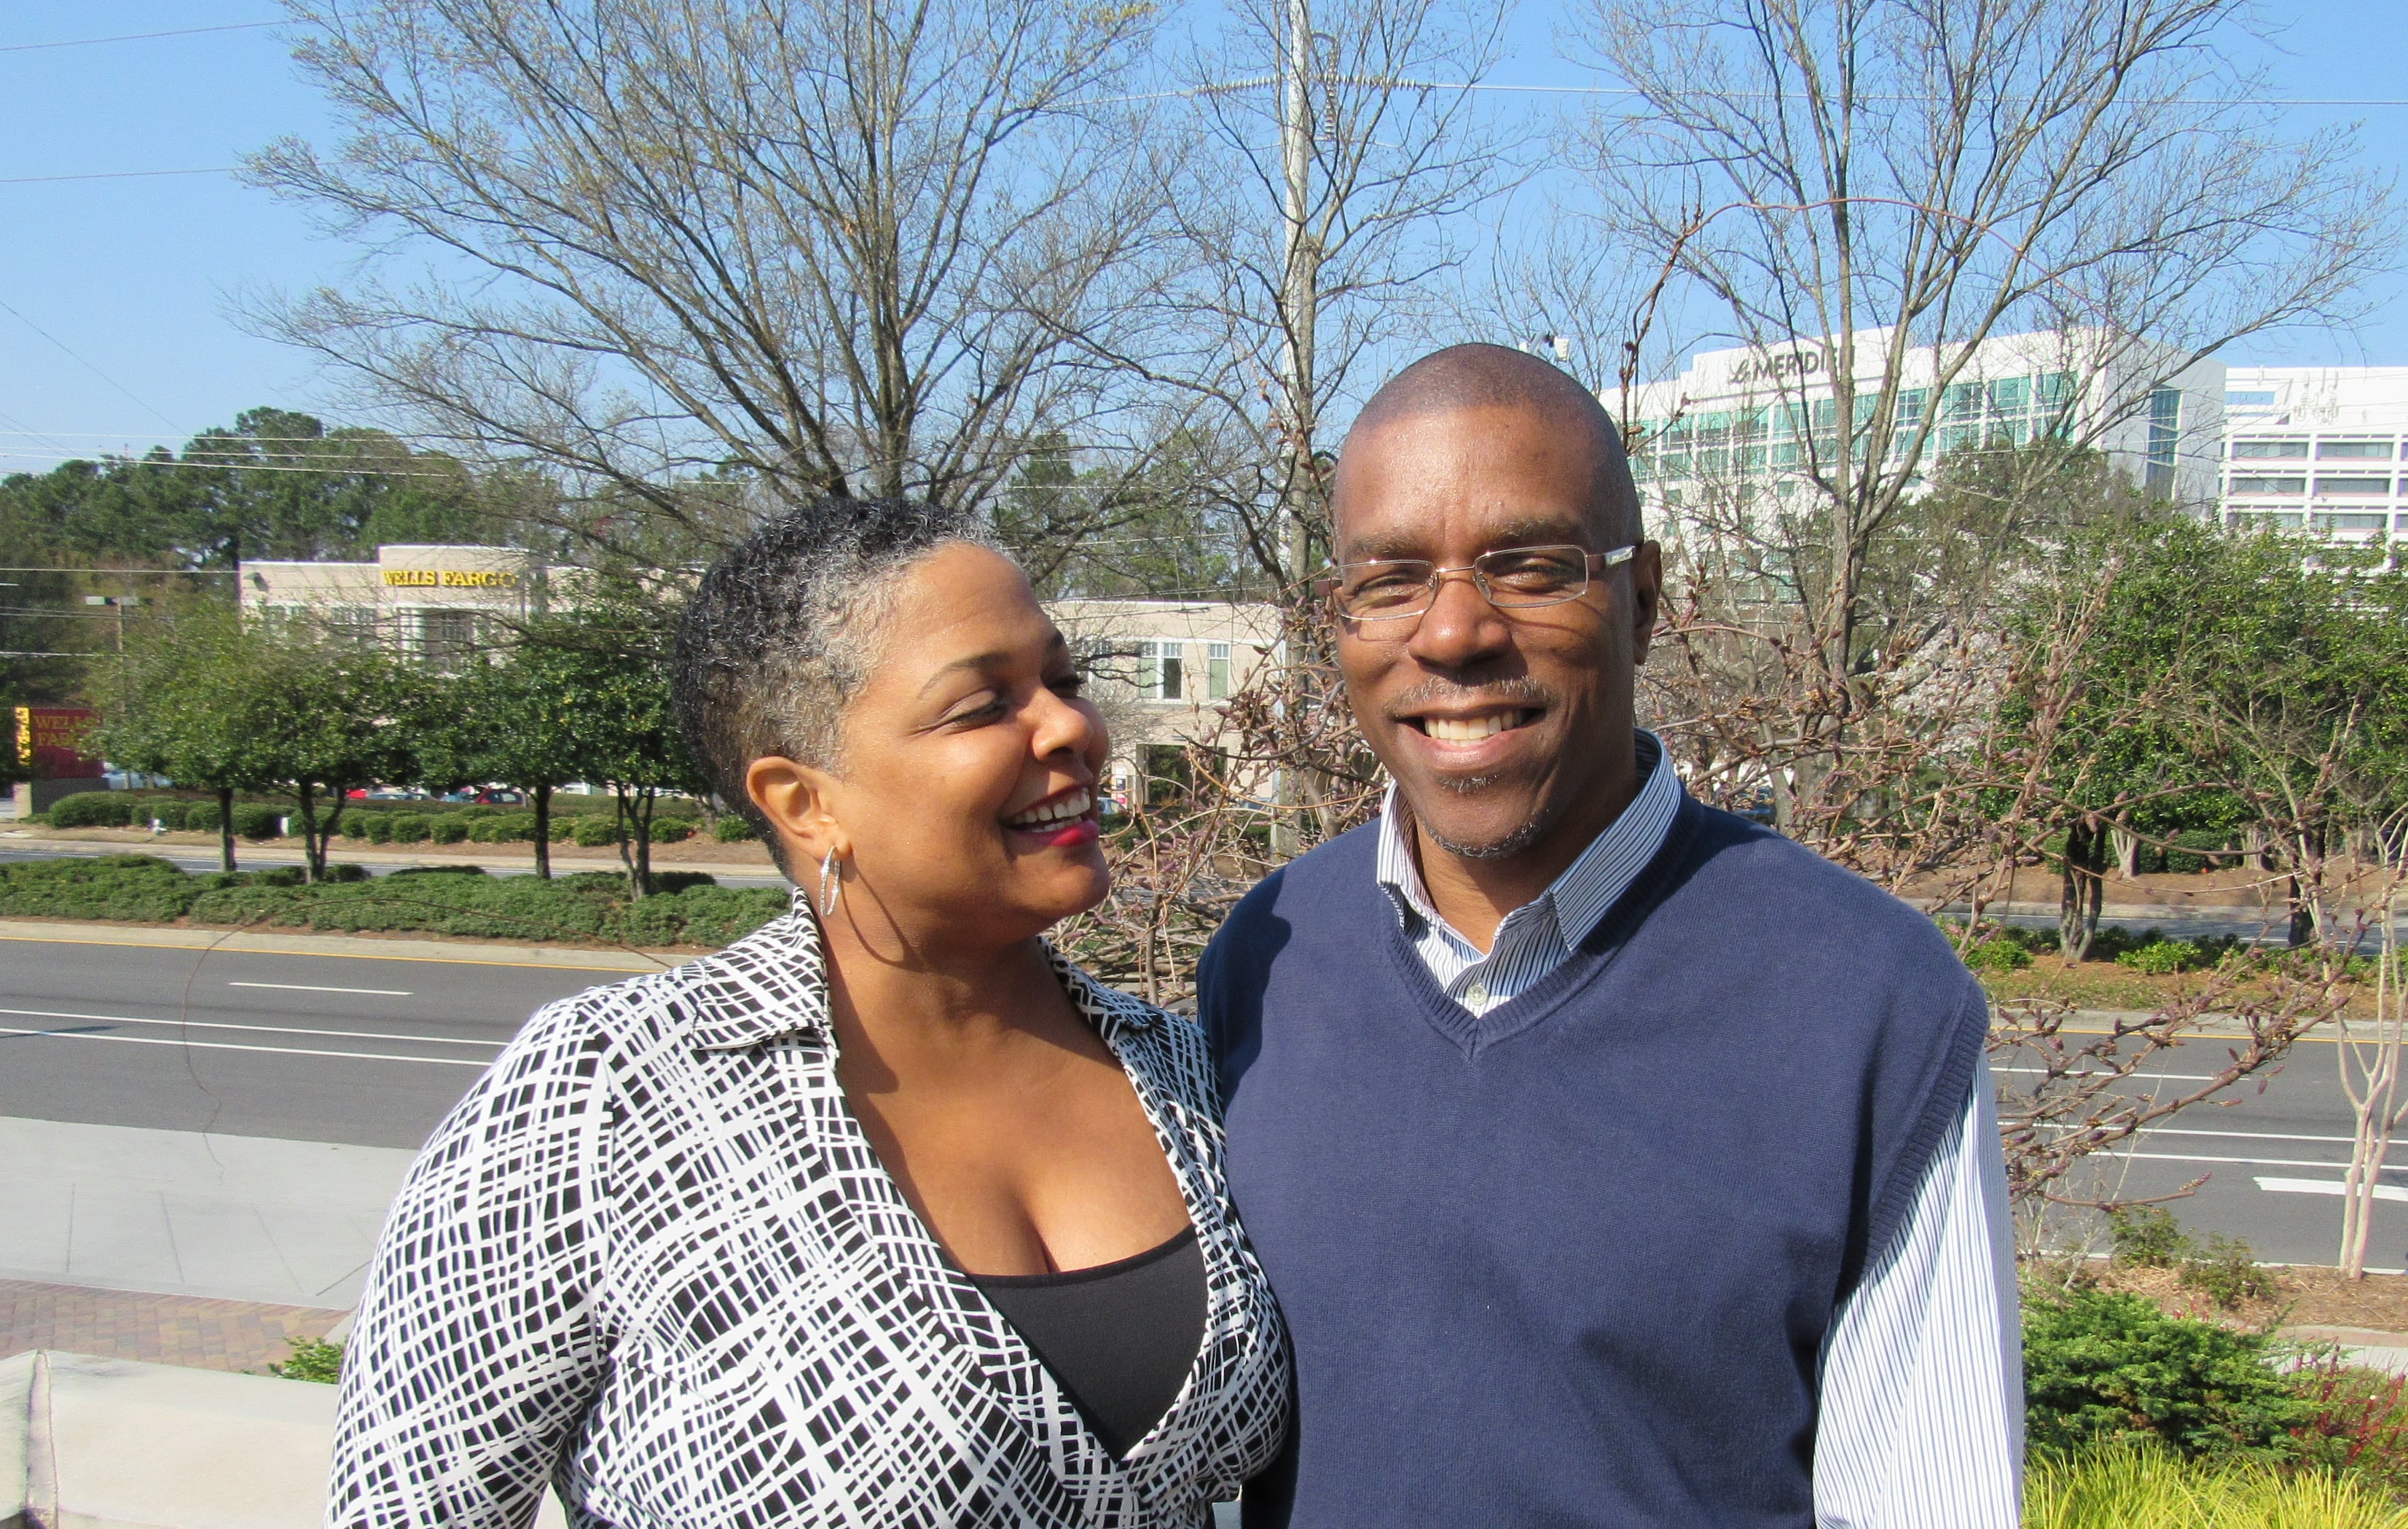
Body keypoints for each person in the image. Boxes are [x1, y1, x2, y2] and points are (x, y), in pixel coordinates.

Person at [332, 499, 1290, 1526]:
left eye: (1064, 679)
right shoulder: (609, 1096)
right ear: (804, 802)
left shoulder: (1183, 1072)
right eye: (981, 706)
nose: (1071, 728)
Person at [1198, 345, 2022, 1528]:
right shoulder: (1267, 963)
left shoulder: (1868, 1003)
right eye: (1391, 580)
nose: (1455, 632)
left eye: (1531, 567)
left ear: (1644, 603)